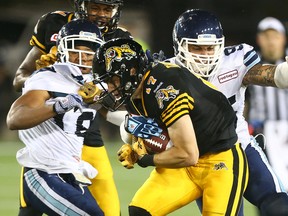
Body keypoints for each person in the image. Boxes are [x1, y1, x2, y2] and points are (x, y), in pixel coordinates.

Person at [92, 38, 249, 216]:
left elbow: (188, 154)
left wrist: (145, 160)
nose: (110, 87)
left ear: (132, 71)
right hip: (184, 165)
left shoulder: (164, 89)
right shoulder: (137, 87)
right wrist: (136, 147)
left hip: (219, 161)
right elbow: (154, 127)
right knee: (140, 211)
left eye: (113, 80)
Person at [13, 1, 131, 215]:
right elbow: (19, 79)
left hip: (85, 129)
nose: (101, 14)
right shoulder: (54, 23)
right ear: (82, 6)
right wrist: (48, 74)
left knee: (109, 210)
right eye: (95, 7)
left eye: (107, 9)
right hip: (47, 130)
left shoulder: (120, 39)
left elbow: (118, 96)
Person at [169, 9, 288, 216]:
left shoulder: (234, 61)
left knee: (278, 206)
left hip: (240, 146)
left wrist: (283, 74)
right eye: (197, 48)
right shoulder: (166, 74)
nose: (205, 55)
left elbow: (266, 74)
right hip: (202, 160)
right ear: (180, 46)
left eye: (211, 48)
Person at [6, 19, 104, 216]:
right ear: (62, 49)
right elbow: (15, 119)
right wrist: (62, 105)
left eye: (89, 50)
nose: (83, 57)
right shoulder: (48, 77)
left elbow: (117, 109)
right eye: (76, 49)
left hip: (69, 171)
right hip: (43, 170)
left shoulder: (95, 82)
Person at [247, 17, 288, 191]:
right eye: (266, 36)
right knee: (267, 186)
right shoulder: (249, 64)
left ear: (283, 38)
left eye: (275, 36)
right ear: (259, 39)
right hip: (260, 133)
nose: (271, 41)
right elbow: (244, 101)